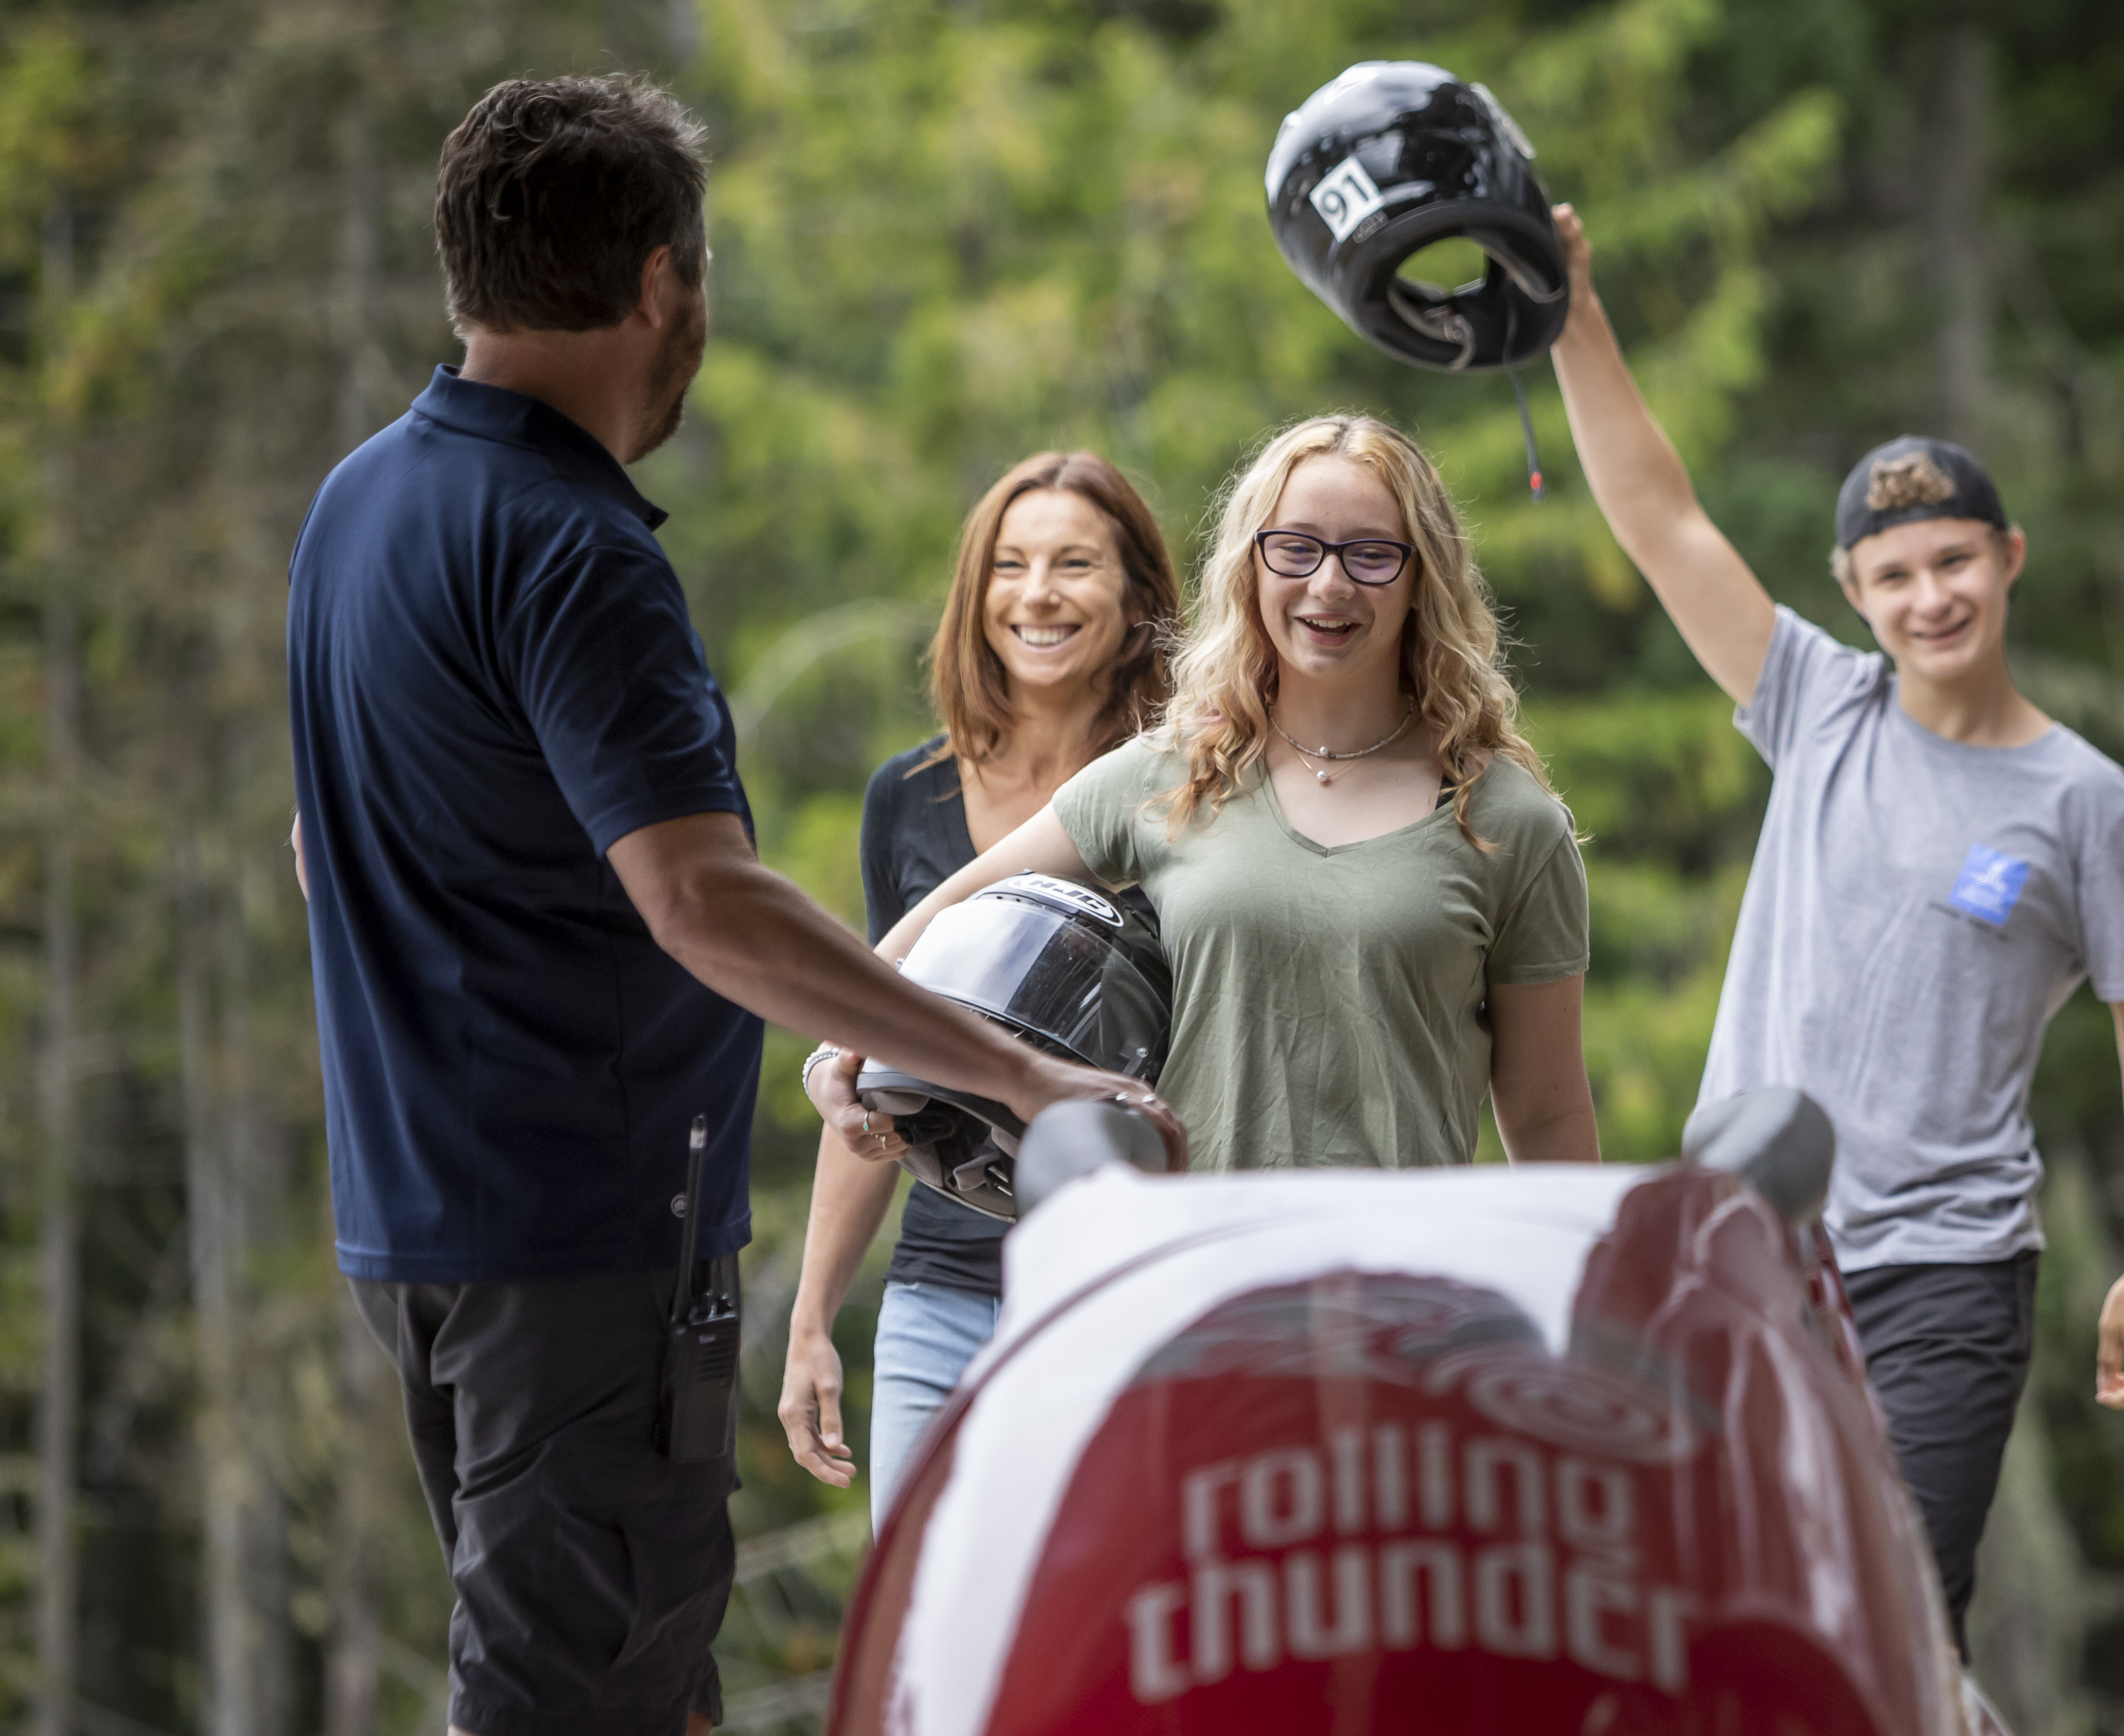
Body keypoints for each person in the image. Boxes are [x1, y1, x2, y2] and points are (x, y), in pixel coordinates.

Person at [285, 76, 1179, 1736]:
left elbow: (316, 841)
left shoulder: (360, 506)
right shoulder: (571, 545)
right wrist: (1020, 1072)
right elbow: (700, 899)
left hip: (417, 1232)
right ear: (656, 286)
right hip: (580, 1243)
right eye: (695, 277)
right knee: (577, 1697)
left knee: (639, 1675)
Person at [1546, 204, 2124, 1658]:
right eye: (1893, 575)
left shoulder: (2082, 801)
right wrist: (1572, 309)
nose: (1929, 596)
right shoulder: (1816, 706)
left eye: (1953, 560)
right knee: (1725, 1606)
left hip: (1943, 1273)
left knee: (1894, 1617)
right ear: (1851, 592)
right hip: (1741, 1239)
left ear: (2007, 556)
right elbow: (1660, 519)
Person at [870, 412, 1600, 1182]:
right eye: (1295, 547)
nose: (1329, 583)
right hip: (1195, 1273)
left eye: (1372, 553)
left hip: (1404, 1282)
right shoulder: (1172, 773)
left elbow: (1547, 1109)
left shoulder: (1507, 820)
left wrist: (1592, 1289)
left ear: (1423, 579)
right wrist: (837, 1059)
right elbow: (919, 941)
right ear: (1249, 566)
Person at [776, 450, 1181, 1515]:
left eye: (1073, 563)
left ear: (1139, 596)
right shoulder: (904, 797)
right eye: (1008, 564)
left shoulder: (1191, 790)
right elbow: (870, 1050)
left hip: (1124, 1289)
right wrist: (812, 1312)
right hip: (940, 1294)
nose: (1036, 593)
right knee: (922, 1636)